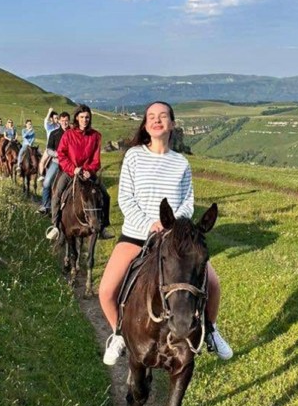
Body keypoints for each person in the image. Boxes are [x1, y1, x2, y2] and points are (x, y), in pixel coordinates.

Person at [97, 101, 233, 366]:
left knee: (213, 283)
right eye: (151, 117)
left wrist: (172, 226)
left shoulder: (181, 163)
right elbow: (126, 198)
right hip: (137, 235)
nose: (156, 120)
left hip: (173, 240)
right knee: (106, 291)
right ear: (146, 125)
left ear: (171, 124)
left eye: (162, 116)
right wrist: (150, 224)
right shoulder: (134, 156)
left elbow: (188, 202)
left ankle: (211, 332)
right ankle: (119, 333)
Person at [46, 104, 113, 241]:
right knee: (57, 194)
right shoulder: (68, 135)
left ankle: (103, 226)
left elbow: (96, 159)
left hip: (88, 173)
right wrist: (73, 169)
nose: (84, 120)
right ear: (77, 118)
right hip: (70, 171)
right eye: (82, 117)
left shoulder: (95, 136)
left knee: (105, 195)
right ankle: (55, 226)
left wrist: (90, 170)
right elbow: (62, 154)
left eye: (87, 117)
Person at [38, 111, 70, 215]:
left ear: (69, 121)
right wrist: (58, 155)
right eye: (62, 120)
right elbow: (49, 150)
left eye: (66, 121)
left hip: (70, 164)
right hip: (57, 162)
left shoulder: (73, 133)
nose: (64, 123)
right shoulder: (54, 133)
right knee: (47, 182)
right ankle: (46, 205)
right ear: (59, 121)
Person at [38, 108, 60, 181]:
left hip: (58, 149)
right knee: (42, 162)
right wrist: (49, 112)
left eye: (57, 118)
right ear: (51, 119)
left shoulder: (59, 126)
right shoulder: (49, 127)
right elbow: (45, 121)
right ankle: (42, 175)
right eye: (55, 118)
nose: (57, 119)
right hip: (49, 148)